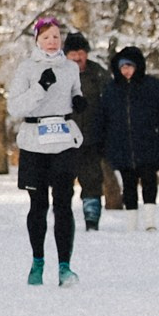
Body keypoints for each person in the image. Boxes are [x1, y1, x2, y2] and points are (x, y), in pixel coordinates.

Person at [7, 15, 85, 286]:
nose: (52, 42)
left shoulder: (70, 68)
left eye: (56, 37)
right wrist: (41, 88)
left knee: (63, 205)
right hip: (34, 143)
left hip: (63, 141)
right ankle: (37, 261)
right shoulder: (27, 69)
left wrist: (78, 100)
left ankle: (65, 267)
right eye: (46, 37)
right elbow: (15, 108)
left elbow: (75, 90)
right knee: (38, 205)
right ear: (37, 40)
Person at [103, 45, 159, 232]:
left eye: (129, 66)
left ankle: (149, 221)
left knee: (149, 182)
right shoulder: (112, 90)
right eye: (122, 67)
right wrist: (103, 143)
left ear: (138, 66)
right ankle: (131, 222)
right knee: (128, 185)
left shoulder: (153, 87)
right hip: (122, 147)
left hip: (149, 144)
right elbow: (103, 118)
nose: (126, 71)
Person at [64, 32, 110, 233]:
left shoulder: (99, 75)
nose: (77, 57)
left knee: (92, 180)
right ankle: (62, 216)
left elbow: (111, 105)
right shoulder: (57, 75)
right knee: (62, 180)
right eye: (72, 54)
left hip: (92, 137)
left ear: (87, 54)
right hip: (64, 138)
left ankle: (92, 218)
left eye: (80, 53)